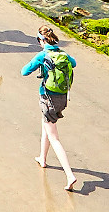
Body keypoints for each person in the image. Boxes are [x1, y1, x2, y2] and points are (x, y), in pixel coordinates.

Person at [22, 30, 77, 190]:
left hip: (48, 98)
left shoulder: (42, 55)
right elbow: (74, 64)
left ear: (42, 40)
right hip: (62, 98)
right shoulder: (64, 54)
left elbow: (24, 71)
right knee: (46, 126)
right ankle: (42, 158)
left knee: (54, 138)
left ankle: (69, 175)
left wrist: (41, 65)